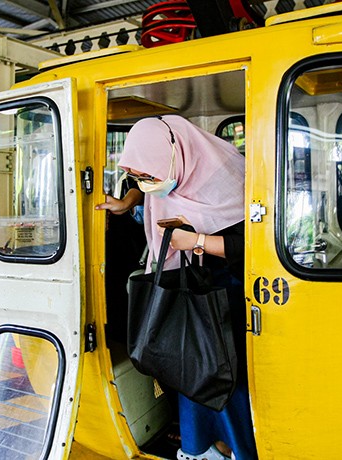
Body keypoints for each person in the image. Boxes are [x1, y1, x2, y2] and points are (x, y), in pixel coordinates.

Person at [96, 115, 257, 460]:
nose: (146, 185)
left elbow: (253, 245)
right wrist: (130, 201)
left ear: (174, 154)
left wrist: (197, 240)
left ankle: (237, 447)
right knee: (190, 368)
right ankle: (200, 447)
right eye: (138, 178)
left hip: (227, 291)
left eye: (149, 176)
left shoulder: (230, 175)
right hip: (189, 288)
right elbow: (154, 183)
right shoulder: (170, 173)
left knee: (225, 374)